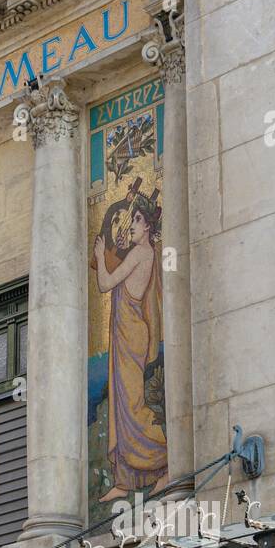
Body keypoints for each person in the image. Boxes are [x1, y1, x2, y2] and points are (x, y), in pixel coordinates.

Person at [92, 198, 167, 501]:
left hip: (131, 334)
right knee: (122, 405)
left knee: (133, 406)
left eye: (136, 219)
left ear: (148, 225)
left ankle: (162, 464)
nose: (132, 224)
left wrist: (100, 253)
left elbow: (105, 284)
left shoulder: (141, 253)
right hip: (126, 335)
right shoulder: (141, 252)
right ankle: (126, 480)